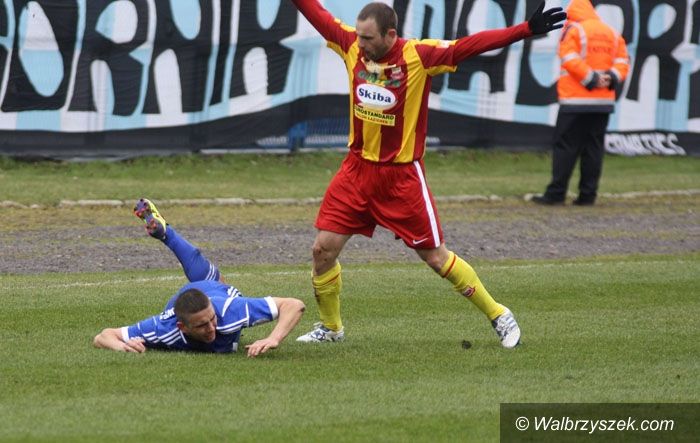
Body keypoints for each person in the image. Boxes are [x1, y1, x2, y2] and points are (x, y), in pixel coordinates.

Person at [290, 1, 566, 348]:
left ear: (390, 34)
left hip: (401, 179)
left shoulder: (418, 56)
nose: (360, 43)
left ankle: (499, 314)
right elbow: (317, 14)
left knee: (436, 258)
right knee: (322, 250)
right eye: (358, 36)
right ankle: (332, 327)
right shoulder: (351, 46)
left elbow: (469, 46)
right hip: (356, 173)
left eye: (368, 38)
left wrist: (524, 30)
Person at [93, 198, 305, 357]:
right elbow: (104, 336)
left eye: (211, 319)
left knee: (217, 283)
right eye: (202, 325)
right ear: (182, 327)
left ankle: (167, 234)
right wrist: (122, 347)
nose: (212, 328)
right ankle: (166, 234)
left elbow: (294, 305)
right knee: (207, 276)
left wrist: (273, 338)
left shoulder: (229, 312)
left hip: (217, 293)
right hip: (182, 302)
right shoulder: (163, 327)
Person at [532, 0, 629, 206]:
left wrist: (591, 78)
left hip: (575, 100)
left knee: (565, 147)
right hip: (602, 102)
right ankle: (588, 195)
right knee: (593, 148)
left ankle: (556, 194)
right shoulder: (610, 32)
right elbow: (623, 61)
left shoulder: (574, 29)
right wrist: (610, 77)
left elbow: (568, 58)